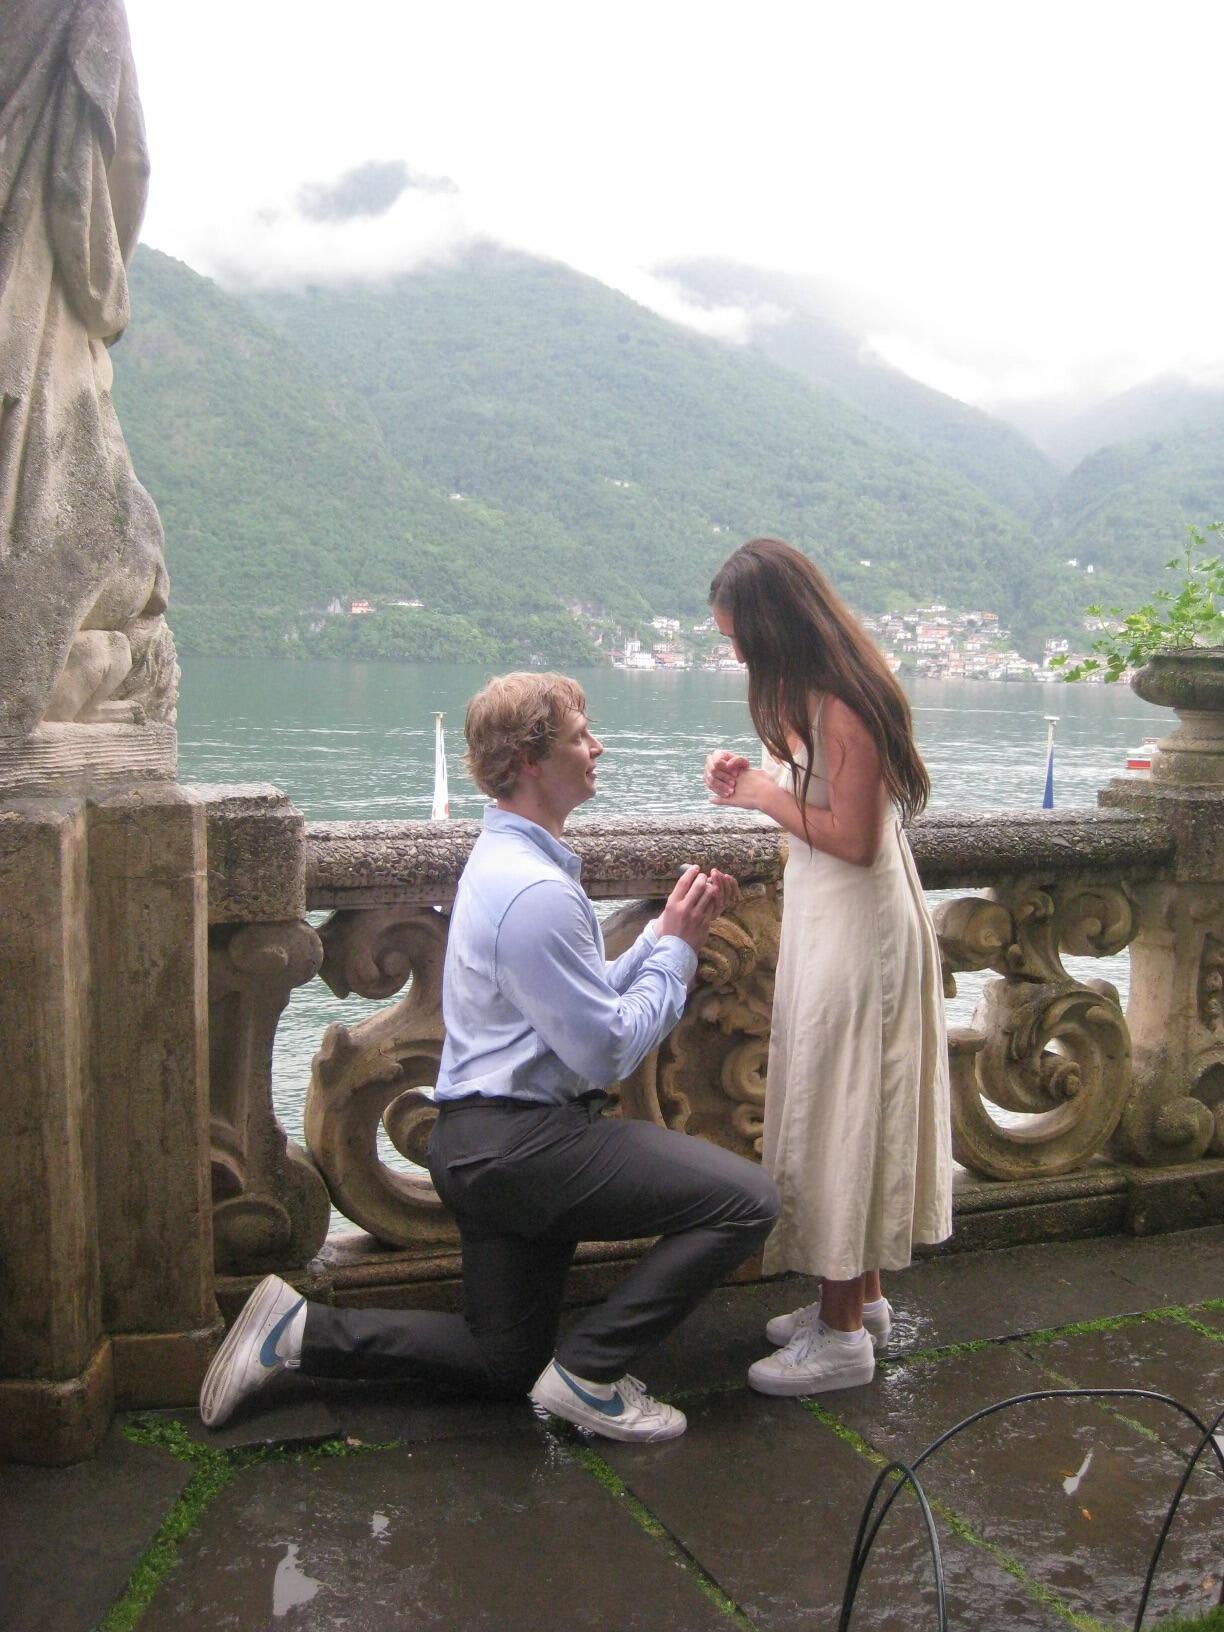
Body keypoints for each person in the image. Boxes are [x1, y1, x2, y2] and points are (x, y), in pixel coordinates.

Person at [201, 672, 779, 1442]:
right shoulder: (534, 890)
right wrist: (674, 961)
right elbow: (605, 1048)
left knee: (504, 1359)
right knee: (748, 1201)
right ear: (531, 759)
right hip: (529, 1148)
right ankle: (591, 1375)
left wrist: (655, 939)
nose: (597, 745)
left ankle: (296, 1331)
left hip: (480, 1145)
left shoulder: (508, 863)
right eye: (580, 733)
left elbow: (571, 1003)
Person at [704, 539, 951, 1396]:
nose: (735, 652)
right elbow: (818, 801)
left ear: (777, 626)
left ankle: (843, 1338)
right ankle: (859, 1299)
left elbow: (851, 837)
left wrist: (762, 795)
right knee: (847, 1104)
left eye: (741, 636)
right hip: (837, 924)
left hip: (862, 934)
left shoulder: (843, 702)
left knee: (846, 1111)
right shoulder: (814, 695)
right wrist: (756, 775)